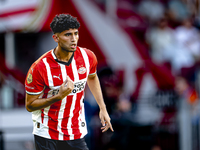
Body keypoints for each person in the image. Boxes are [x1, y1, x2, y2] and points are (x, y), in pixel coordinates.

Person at [25, 14, 113, 150]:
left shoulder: (87, 57)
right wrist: (58, 96)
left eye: (76, 33)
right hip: (47, 134)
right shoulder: (40, 67)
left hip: (75, 132)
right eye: (68, 35)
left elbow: (92, 77)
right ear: (56, 38)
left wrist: (103, 107)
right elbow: (30, 105)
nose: (74, 39)